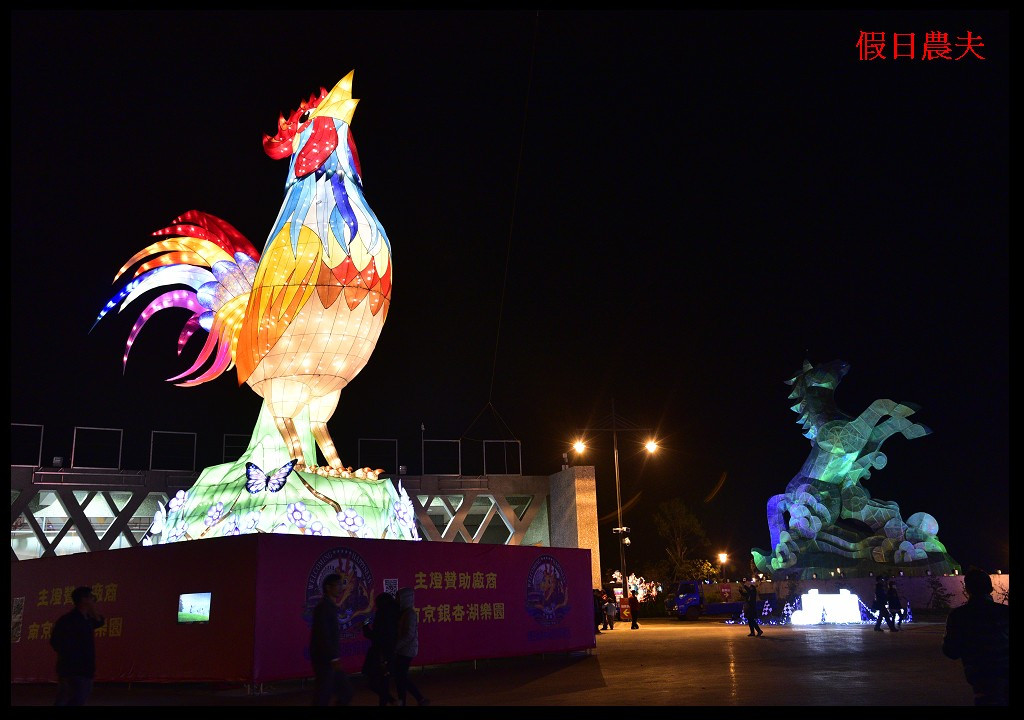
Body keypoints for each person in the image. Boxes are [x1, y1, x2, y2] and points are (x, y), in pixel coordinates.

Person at [942, 568, 1009, 706]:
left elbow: (951, 651)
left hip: (980, 678)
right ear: (991, 588)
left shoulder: (959, 616)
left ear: (967, 589)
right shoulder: (1005, 612)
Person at [50, 585, 105, 705]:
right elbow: (56, 641)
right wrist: (71, 658)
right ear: (83, 599)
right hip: (74, 670)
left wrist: (92, 608)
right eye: (91, 597)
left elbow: (100, 621)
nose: (94, 600)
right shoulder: (68, 620)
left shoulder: (87, 620)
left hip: (81, 670)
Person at [309, 573, 354, 706]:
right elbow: (324, 635)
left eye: (341, 584)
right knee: (325, 694)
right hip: (325, 659)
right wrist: (333, 658)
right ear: (328, 587)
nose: (341, 587)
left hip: (328, 658)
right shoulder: (323, 608)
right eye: (338, 584)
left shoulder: (330, 607)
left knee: (342, 692)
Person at [393, 587, 429, 706]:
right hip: (402, 649)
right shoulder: (402, 613)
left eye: (398, 597)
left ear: (405, 599)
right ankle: (409, 700)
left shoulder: (410, 614)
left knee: (401, 676)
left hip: (407, 650)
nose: (396, 600)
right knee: (400, 677)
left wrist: (396, 646)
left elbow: (409, 635)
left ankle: (417, 699)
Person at [362, 591, 399, 706]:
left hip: (379, 654)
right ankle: (391, 701)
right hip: (389, 653)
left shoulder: (382, 615)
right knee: (383, 682)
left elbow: (375, 636)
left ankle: (391, 700)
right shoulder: (395, 614)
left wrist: (365, 626)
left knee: (375, 683)